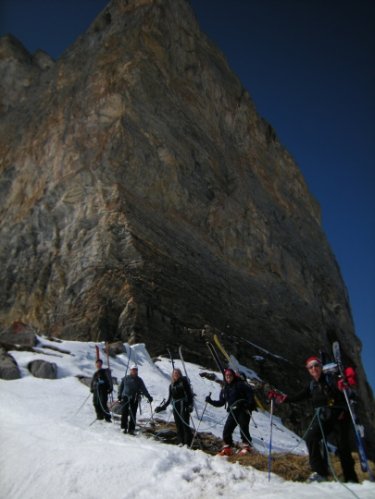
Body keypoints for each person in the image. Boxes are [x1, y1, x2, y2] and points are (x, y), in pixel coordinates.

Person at [268, 355, 358, 483]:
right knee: (311, 438)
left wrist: (343, 384)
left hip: (339, 416)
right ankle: (320, 472)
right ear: (308, 370)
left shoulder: (330, 378)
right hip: (324, 418)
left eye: (316, 365)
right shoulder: (312, 386)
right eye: (310, 367)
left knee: (343, 446)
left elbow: (342, 388)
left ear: (321, 367)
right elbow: (298, 396)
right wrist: (282, 398)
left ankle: (351, 478)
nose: (314, 368)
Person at [205, 368, 255, 456]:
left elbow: (250, 395)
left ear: (233, 376)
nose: (228, 377)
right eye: (226, 375)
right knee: (227, 430)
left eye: (230, 375)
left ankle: (246, 447)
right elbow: (221, 402)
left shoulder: (240, 384)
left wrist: (248, 404)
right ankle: (227, 448)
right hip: (233, 411)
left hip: (243, 409)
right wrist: (210, 401)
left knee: (243, 428)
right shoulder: (225, 388)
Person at [155, 368, 194, 446]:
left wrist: (190, 405)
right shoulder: (171, 385)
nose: (175, 374)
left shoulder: (183, 382)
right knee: (178, 424)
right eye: (174, 373)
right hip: (176, 406)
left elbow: (190, 395)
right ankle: (181, 441)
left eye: (177, 373)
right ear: (172, 375)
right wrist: (162, 407)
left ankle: (188, 443)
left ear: (180, 374)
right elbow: (170, 399)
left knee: (185, 423)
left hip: (184, 404)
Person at [118, 364, 153, 435]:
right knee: (124, 412)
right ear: (130, 370)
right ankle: (123, 427)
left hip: (134, 398)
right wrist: (119, 395)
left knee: (133, 414)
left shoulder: (139, 380)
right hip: (125, 397)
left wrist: (149, 396)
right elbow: (121, 387)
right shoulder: (125, 378)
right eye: (133, 369)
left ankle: (131, 429)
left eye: (135, 370)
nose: (134, 371)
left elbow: (144, 389)